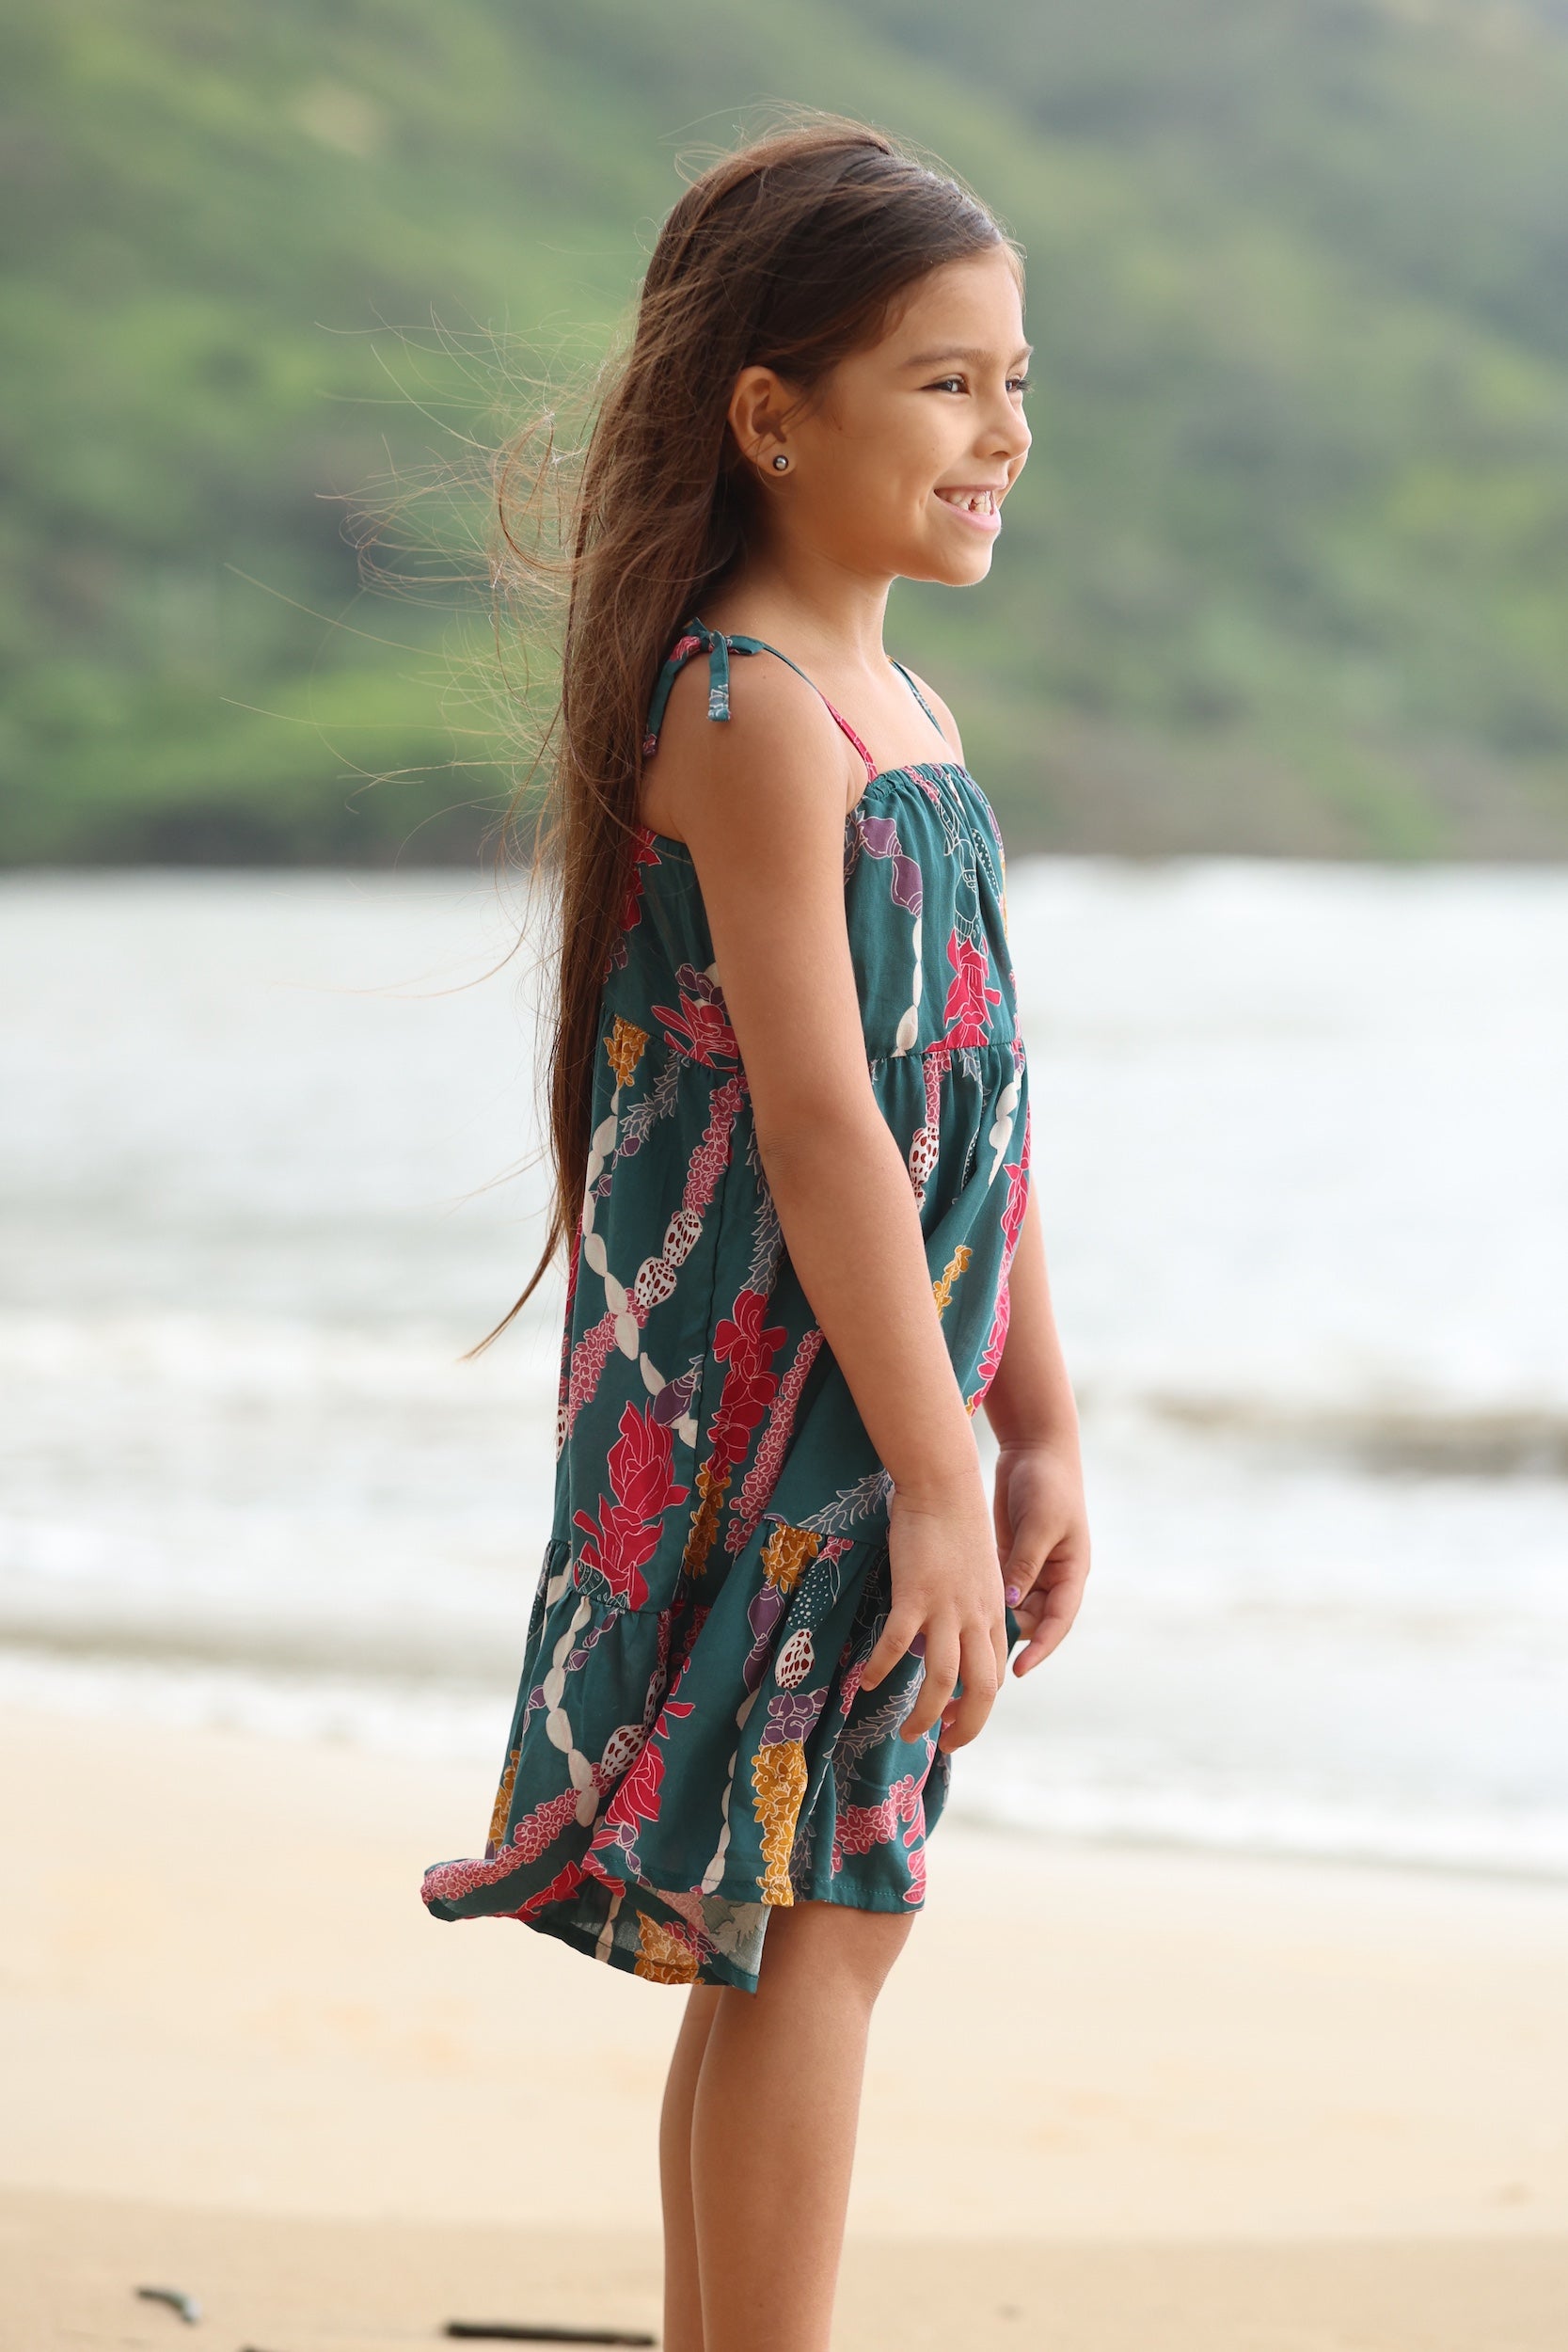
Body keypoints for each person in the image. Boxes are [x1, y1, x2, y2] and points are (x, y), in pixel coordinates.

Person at [421, 112, 1091, 2352]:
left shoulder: (911, 708)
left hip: (884, 1395)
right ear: (771, 411)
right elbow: (818, 1129)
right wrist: (925, 1470)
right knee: (824, 1918)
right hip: (790, 1415)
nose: (1004, 428)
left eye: (1015, 378)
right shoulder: (749, 709)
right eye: (945, 379)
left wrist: (1041, 1429)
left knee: (813, 1915)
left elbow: (970, 1111)